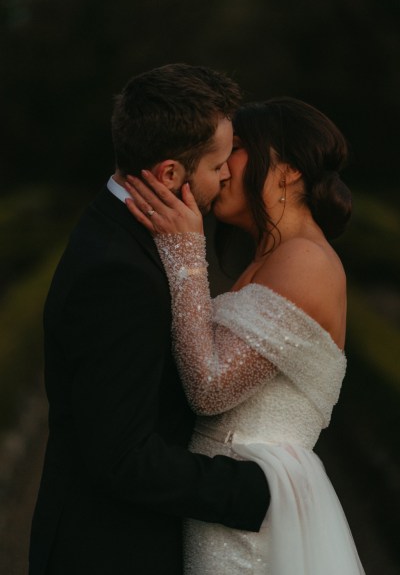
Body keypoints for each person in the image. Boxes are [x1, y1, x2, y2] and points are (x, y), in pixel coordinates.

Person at [28, 64, 271, 575]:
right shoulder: (120, 274)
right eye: (218, 164)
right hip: (110, 551)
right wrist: (260, 491)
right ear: (168, 175)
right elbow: (122, 458)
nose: (228, 174)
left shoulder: (120, 229)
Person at [124, 97, 366, 574]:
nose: (221, 168)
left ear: (289, 170)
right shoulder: (273, 259)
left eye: (235, 149)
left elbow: (211, 388)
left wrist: (186, 255)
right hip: (226, 499)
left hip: (250, 511)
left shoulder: (306, 261)